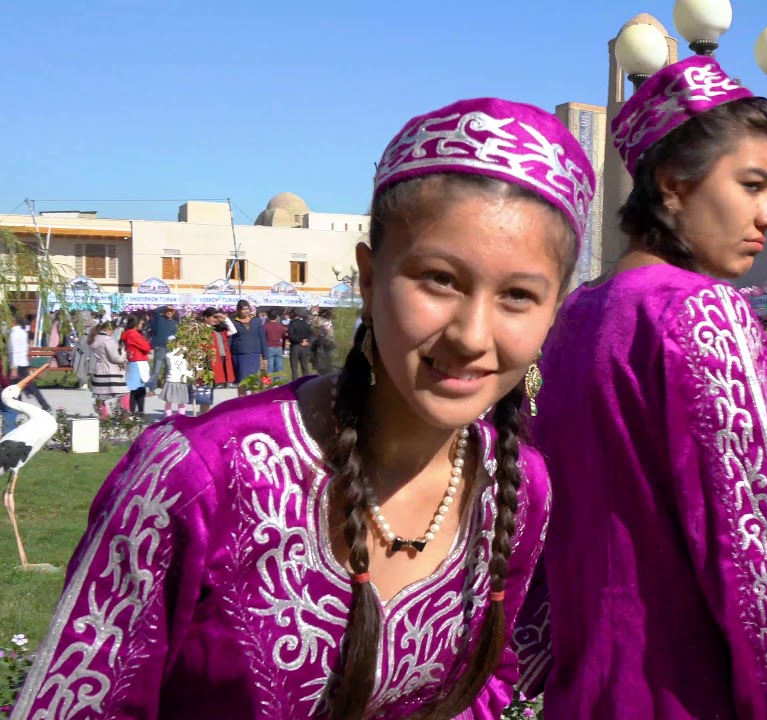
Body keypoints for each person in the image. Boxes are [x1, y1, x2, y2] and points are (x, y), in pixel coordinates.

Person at [20, 97, 596, 718]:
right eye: (440, 280)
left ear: (554, 310)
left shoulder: (517, 486)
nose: (472, 335)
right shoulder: (198, 477)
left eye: (517, 295)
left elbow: (486, 684)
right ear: (370, 280)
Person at [516, 56, 767, 718]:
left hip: (587, 687)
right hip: (682, 688)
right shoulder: (703, 311)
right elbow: (754, 555)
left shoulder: (577, 314)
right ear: (672, 184)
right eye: (753, 185)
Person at [7, 308, 52, 412]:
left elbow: (14, 351)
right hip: (23, 363)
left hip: (16, 364)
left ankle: (17, 406)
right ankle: (42, 404)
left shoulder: (14, 334)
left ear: (13, 320)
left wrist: (13, 368)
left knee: (14, 387)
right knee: (24, 386)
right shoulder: (23, 332)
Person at [88, 321, 127, 418]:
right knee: (124, 392)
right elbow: (115, 358)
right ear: (108, 329)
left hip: (99, 369)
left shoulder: (94, 339)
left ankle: (103, 416)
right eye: (112, 331)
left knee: (100, 396)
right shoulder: (108, 340)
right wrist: (123, 354)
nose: (112, 333)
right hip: (111, 370)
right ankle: (125, 416)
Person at [121, 312, 153, 416]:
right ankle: (136, 411)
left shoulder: (127, 333)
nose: (142, 324)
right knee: (137, 388)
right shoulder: (134, 334)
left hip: (133, 361)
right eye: (141, 322)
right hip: (139, 362)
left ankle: (134, 411)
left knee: (135, 387)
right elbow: (147, 347)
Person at [229, 299, 268, 382]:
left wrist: (265, 357)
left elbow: (262, 338)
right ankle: (243, 395)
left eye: (247, 309)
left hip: (254, 355)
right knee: (242, 382)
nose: (246, 311)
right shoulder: (233, 322)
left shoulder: (256, 321)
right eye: (243, 309)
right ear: (238, 310)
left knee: (255, 381)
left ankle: (254, 395)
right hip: (240, 356)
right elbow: (230, 340)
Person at [200, 307, 237, 389]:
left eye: (217, 318)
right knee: (214, 370)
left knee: (224, 369)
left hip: (223, 354)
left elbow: (233, 331)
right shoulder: (202, 329)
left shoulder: (220, 329)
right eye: (213, 317)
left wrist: (225, 319)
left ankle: (224, 382)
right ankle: (215, 382)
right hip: (211, 356)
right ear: (206, 317)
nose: (216, 320)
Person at [148, 304, 178, 392]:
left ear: (173, 313)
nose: (169, 312)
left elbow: (175, 335)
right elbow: (155, 311)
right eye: (167, 311)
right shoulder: (159, 319)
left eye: (171, 311)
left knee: (169, 369)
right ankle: (152, 388)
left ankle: (165, 388)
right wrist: (167, 307)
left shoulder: (173, 323)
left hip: (170, 348)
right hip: (160, 347)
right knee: (156, 370)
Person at [160, 346, 193, 417]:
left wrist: (191, 374)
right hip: (172, 381)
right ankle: (168, 415)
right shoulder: (171, 358)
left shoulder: (184, 359)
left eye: (181, 350)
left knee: (181, 401)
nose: (180, 352)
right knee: (169, 400)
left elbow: (185, 370)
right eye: (179, 351)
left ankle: (181, 415)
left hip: (181, 382)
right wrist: (177, 348)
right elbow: (168, 355)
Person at [288, 309, 314, 380]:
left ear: (293, 314)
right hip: (304, 347)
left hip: (295, 346)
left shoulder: (292, 323)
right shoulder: (305, 323)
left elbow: (291, 335)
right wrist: (307, 341)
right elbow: (312, 334)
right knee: (305, 367)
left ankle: (294, 382)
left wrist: (300, 341)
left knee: (294, 368)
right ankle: (306, 382)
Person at [263, 308, 288, 375]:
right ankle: (280, 382)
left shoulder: (265, 326)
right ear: (276, 317)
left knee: (270, 368)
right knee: (279, 368)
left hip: (269, 347)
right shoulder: (280, 326)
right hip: (278, 347)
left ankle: (270, 383)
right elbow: (284, 336)